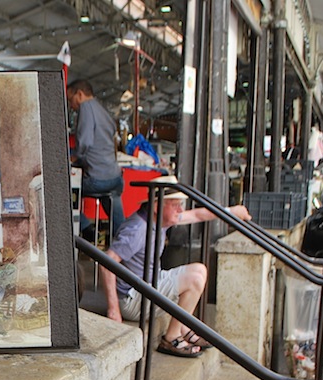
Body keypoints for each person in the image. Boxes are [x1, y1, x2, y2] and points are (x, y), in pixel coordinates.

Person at [100, 184, 252, 358]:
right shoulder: (137, 229)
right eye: (175, 205)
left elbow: (197, 214)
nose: (180, 210)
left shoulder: (159, 219)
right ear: (157, 206)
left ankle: (183, 326)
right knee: (194, 279)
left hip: (148, 284)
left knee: (199, 270)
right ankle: (171, 337)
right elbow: (107, 263)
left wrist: (231, 212)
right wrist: (113, 310)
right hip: (131, 299)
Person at [67, 79, 125, 238]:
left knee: (64, 192)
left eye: (71, 100)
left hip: (97, 180)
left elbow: (84, 142)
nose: (71, 106)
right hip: (115, 177)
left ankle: (88, 231)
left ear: (79, 94)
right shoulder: (102, 110)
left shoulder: (85, 108)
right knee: (116, 213)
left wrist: (73, 157)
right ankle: (122, 247)